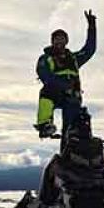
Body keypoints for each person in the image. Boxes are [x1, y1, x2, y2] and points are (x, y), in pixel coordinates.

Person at [34, 10, 98, 138]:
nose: (59, 41)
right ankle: (44, 124)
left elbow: (89, 49)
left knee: (71, 132)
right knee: (46, 92)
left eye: (62, 38)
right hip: (55, 93)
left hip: (72, 98)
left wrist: (92, 27)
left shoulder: (74, 58)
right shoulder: (46, 58)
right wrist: (64, 85)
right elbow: (44, 75)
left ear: (66, 41)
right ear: (52, 41)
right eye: (56, 39)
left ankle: (68, 150)